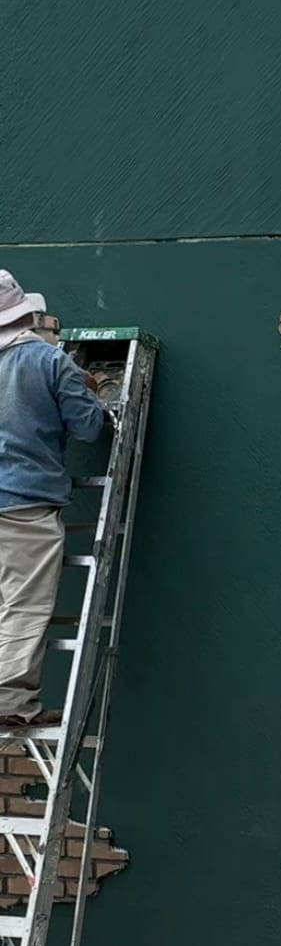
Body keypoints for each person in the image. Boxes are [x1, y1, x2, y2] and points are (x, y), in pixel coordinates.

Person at [0, 271, 107, 731]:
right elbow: (88, 428)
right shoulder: (48, 362)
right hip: (24, 504)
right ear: (25, 313)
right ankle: (9, 704)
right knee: (23, 606)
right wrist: (91, 394)